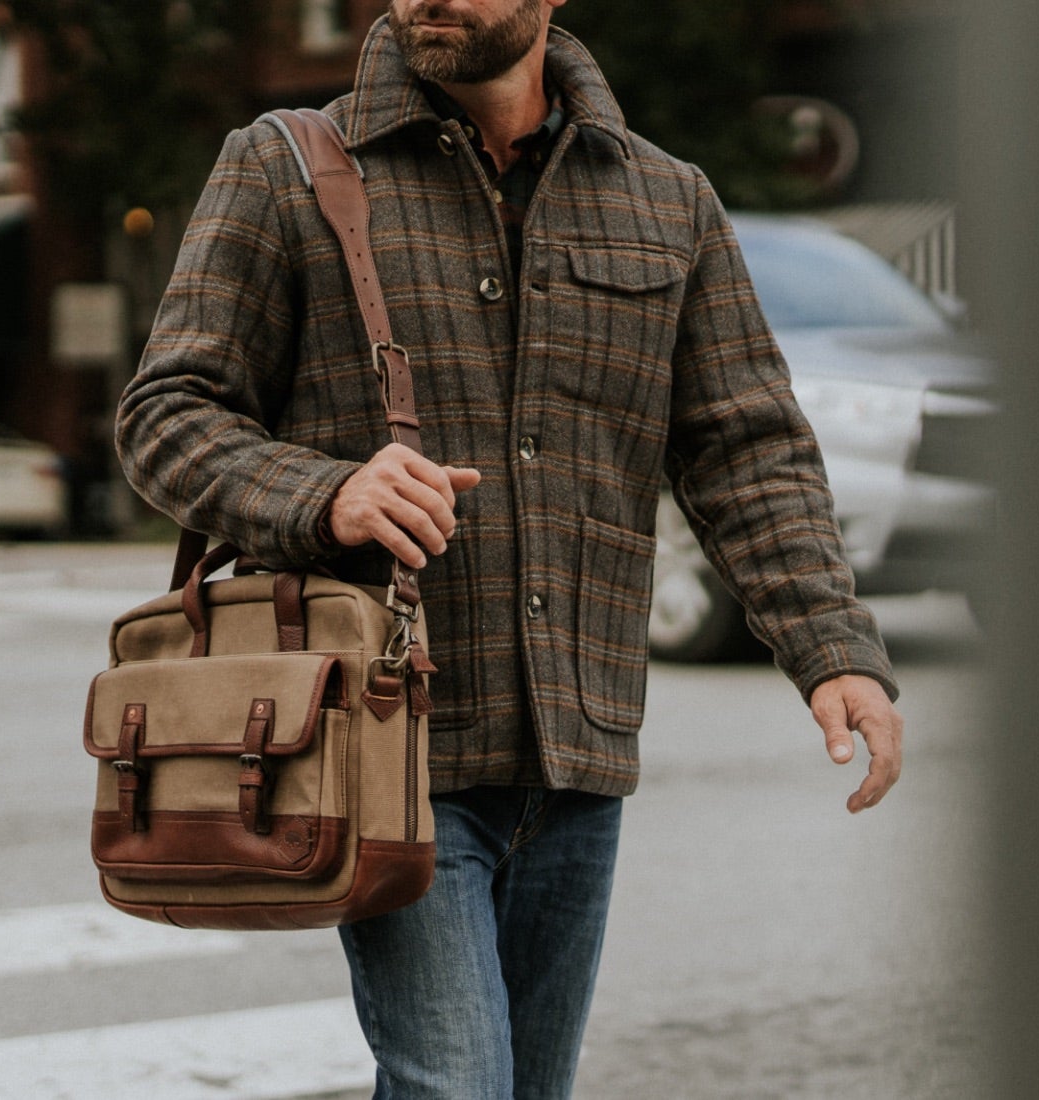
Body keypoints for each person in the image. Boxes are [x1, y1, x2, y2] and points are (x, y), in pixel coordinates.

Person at [115, 1, 905, 1096]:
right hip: (391, 743)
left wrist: (835, 648)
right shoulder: (285, 166)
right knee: (456, 1085)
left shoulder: (668, 201)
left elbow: (747, 450)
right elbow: (165, 415)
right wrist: (326, 492)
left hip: (580, 754)